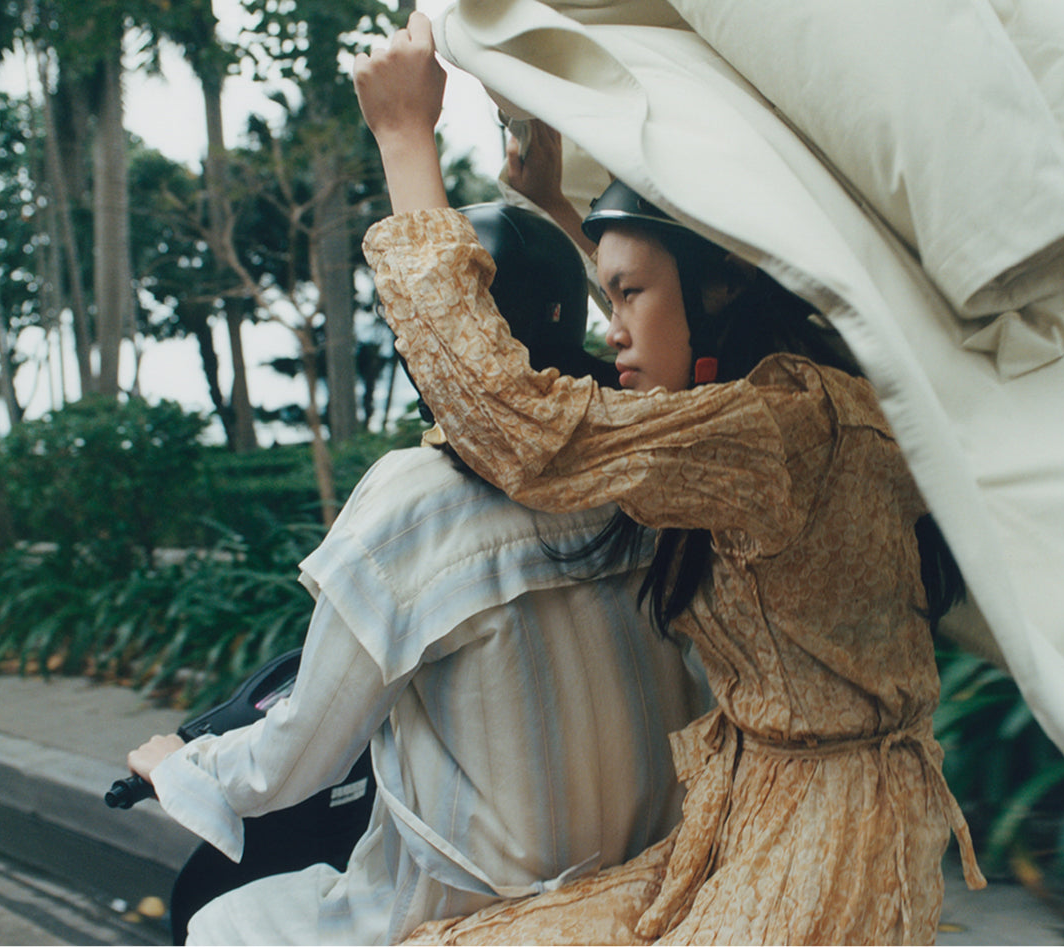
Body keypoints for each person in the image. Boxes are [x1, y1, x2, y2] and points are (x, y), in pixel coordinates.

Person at [353, 13, 985, 944]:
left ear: (720, 288)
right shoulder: (788, 393)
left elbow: (520, 428)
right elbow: (656, 328)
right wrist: (555, 201)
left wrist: (405, 141)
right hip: (748, 824)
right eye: (606, 293)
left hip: (817, 861)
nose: (610, 327)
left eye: (626, 294)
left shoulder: (779, 431)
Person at [126, 201, 710, 945]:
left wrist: (184, 767)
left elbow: (299, 755)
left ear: (440, 332)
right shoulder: (641, 471)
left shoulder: (413, 501)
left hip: (475, 910)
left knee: (222, 923)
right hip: (649, 879)